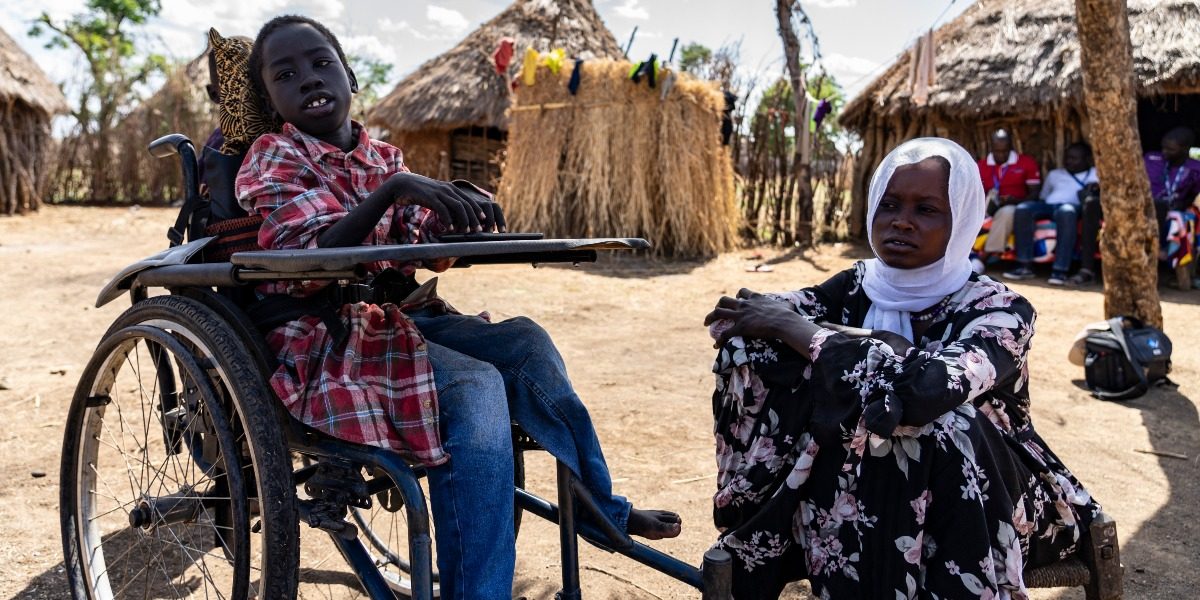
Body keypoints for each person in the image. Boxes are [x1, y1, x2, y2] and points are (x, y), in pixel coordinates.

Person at [234, 15, 680, 599]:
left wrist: (454, 209)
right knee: (474, 387)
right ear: (271, 101)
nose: (309, 79)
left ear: (350, 75)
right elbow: (308, 253)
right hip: (328, 335)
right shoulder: (274, 157)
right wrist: (395, 191)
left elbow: (419, 232)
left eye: (322, 63)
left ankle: (598, 507)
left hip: (402, 319)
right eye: (286, 74)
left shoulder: (383, 157)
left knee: (526, 343)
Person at [705, 138, 1100, 598]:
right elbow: (752, 316)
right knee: (760, 352)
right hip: (855, 489)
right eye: (889, 204)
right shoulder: (858, 285)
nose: (902, 221)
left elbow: (925, 391)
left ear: (962, 219)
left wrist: (810, 337)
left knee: (930, 425)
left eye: (927, 209)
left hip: (989, 497)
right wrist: (855, 342)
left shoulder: (1001, 311)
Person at [1004, 142, 1099, 285]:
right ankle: (1024, 265)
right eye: (1067, 158)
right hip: (1048, 205)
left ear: (1086, 159)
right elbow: (1043, 195)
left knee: (1066, 212)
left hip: (1072, 207)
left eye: (1074, 158)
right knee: (1024, 209)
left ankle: (1059, 271)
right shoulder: (1055, 174)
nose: (1069, 161)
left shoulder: (1094, 173)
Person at [977, 129, 1041, 260]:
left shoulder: (1026, 163)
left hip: (1015, 206)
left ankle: (984, 257)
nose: (1001, 155)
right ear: (991, 148)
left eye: (1005, 151)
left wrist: (1015, 201)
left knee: (1007, 212)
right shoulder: (981, 166)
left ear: (1011, 147)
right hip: (987, 207)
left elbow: (1035, 193)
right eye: (997, 151)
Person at [1145, 126, 1200, 254]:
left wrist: (1184, 204)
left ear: (1185, 150)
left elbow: (1195, 196)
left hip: (1174, 211)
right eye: (1163, 147)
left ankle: (1173, 260)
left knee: (1179, 221)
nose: (1164, 152)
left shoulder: (1195, 169)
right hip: (1147, 207)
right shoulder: (1151, 160)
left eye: (1171, 149)